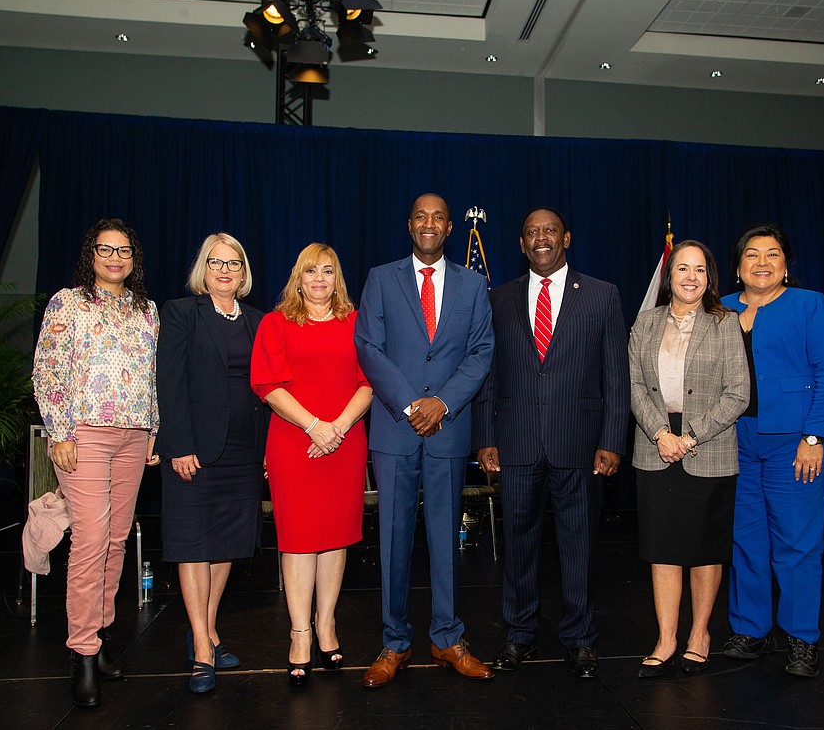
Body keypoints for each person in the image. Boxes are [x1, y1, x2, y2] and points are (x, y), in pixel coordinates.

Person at [473, 207, 628, 679]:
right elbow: (487, 374)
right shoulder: (497, 299)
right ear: (521, 244)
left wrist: (613, 440)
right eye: (531, 232)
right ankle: (518, 635)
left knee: (578, 547)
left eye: (549, 230)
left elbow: (615, 377)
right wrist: (484, 438)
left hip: (581, 444)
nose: (541, 238)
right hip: (516, 444)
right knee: (518, 547)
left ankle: (580, 640)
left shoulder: (602, 296)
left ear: (566, 238)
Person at [354, 193, 496, 687]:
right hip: (396, 427)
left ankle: (446, 638)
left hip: (448, 429)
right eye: (420, 216)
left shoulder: (473, 285)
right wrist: (413, 405)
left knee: (444, 539)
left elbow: (481, 352)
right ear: (409, 225)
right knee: (393, 539)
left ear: (451, 227)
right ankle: (394, 642)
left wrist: (443, 404)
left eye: (438, 217)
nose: (429, 224)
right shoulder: (380, 279)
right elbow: (368, 347)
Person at [32, 218, 160, 708]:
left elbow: (151, 375)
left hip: (132, 435)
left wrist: (153, 430)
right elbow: (47, 368)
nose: (115, 259)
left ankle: (101, 638)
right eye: (106, 250)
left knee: (117, 540)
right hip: (82, 435)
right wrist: (60, 432)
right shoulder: (67, 302)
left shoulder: (146, 310)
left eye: (124, 251)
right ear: (91, 255)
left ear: (134, 258)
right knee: (89, 540)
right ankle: (81, 652)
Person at [720, 222, 824, 678]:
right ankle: (752, 630)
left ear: (786, 264)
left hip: (794, 444)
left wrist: (815, 437)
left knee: (796, 543)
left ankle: (801, 638)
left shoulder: (810, 305)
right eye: (752, 255)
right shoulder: (719, 309)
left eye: (772, 254)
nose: (762, 263)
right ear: (737, 267)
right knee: (745, 541)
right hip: (734, 442)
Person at [251, 243, 373, 687]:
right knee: (300, 537)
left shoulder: (357, 323)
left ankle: (327, 625)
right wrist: (315, 426)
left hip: (345, 441)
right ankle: (299, 632)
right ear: (296, 277)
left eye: (327, 271)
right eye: (310, 271)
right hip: (293, 442)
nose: (319, 279)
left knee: (336, 535)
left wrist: (336, 427)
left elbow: (370, 382)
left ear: (337, 277)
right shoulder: (275, 323)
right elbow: (266, 384)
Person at [627, 240, 749, 677]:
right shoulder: (644, 322)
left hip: (708, 448)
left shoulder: (726, 323)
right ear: (669, 275)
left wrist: (690, 436)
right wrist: (662, 433)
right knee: (663, 549)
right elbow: (635, 386)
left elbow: (739, 393)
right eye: (682, 268)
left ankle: (700, 634)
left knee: (704, 549)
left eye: (700, 269)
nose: (691, 277)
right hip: (655, 446)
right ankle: (666, 638)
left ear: (710, 277)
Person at [155, 233, 267, 694]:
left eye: (233, 262)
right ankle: (202, 646)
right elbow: (169, 381)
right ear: (203, 267)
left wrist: (267, 452)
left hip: (244, 451)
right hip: (194, 452)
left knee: (226, 544)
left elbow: (268, 385)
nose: (225, 270)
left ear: (243, 272)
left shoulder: (259, 321)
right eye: (216, 262)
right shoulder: (182, 313)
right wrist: (178, 443)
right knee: (193, 545)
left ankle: (208, 627)